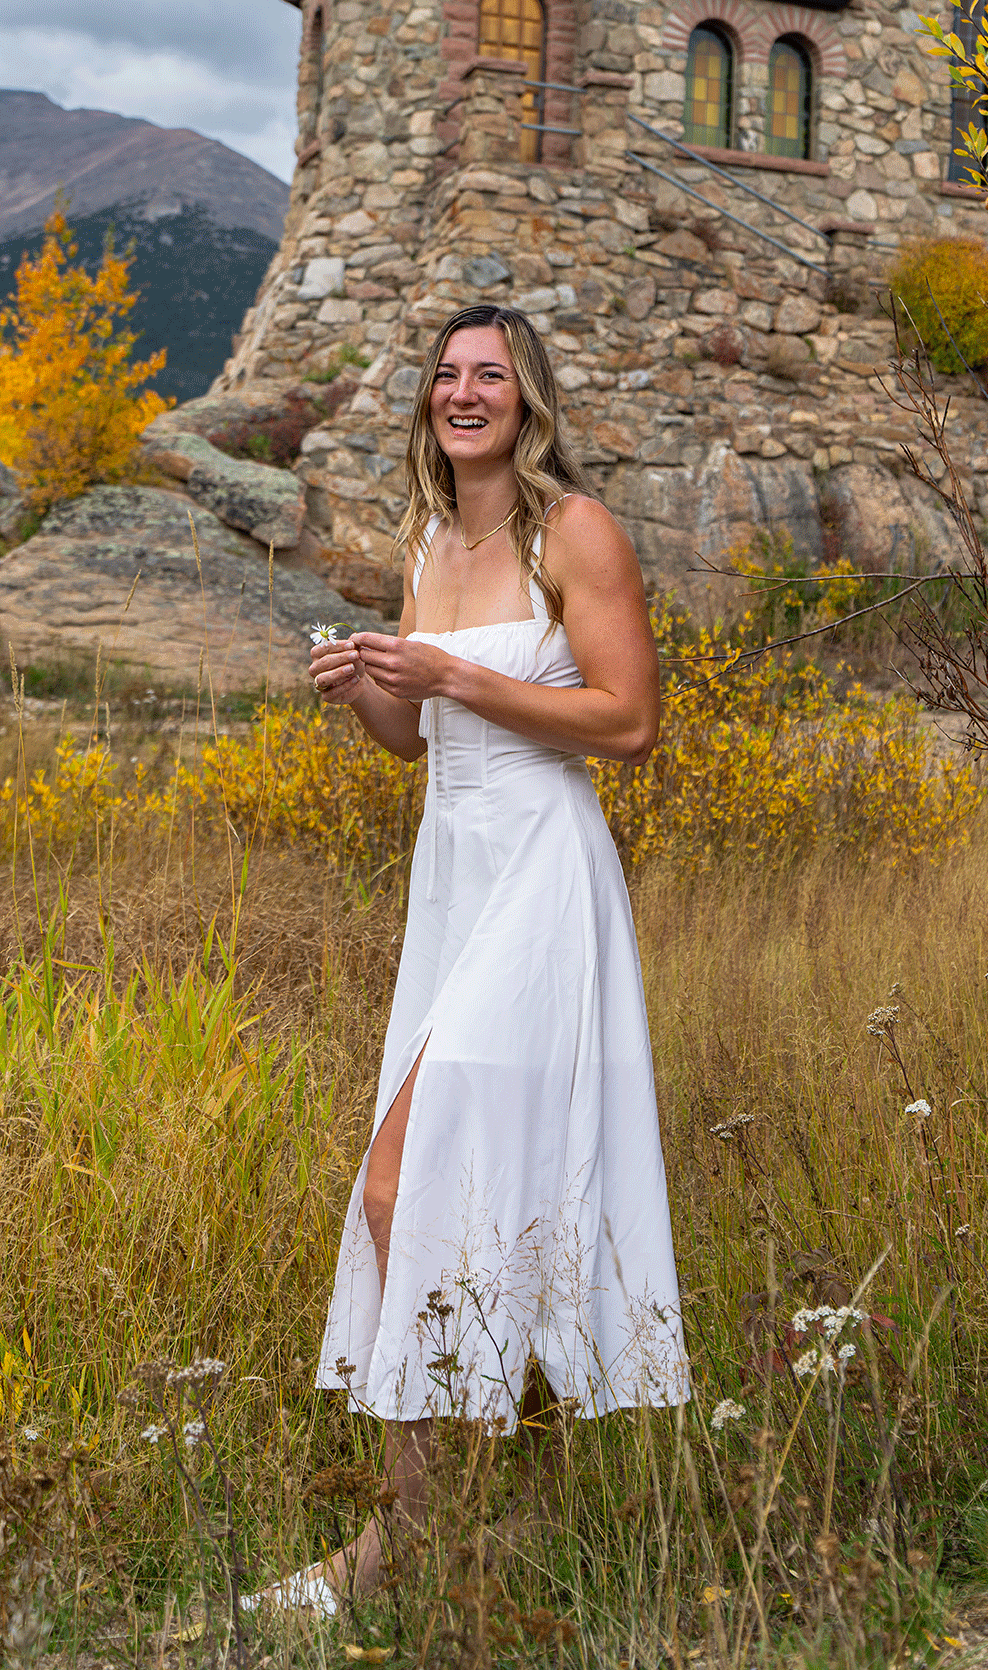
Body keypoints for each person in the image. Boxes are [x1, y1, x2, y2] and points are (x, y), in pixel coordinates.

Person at [248, 303, 687, 1616]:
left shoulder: (574, 532)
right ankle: (470, 1520)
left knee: (402, 1190)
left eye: (489, 374)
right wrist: (371, 683)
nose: (463, 391)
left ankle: (393, 1560)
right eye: (446, 374)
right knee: (458, 1201)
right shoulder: (433, 538)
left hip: (545, 879)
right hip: (456, 880)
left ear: (528, 398)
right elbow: (412, 738)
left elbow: (627, 723)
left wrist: (450, 675)